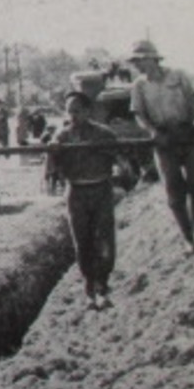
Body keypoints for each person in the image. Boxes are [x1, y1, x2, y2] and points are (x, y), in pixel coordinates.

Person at [128, 38, 194, 253]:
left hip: (187, 134)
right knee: (174, 192)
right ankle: (187, 238)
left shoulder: (178, 76)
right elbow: (139, 114)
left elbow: (193, 105)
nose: (137, 65)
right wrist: (154, 132)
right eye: (135, 61)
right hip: (164, 140)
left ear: (153, 58)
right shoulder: (139, 86)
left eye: (140, 60)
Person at [46, 91, 119, 311]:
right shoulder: (62, 136)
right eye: (69, 111)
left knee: (105, 240)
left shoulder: (104, 134)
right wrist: (52, 152)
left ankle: (103, 287)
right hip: (76, 192)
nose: (73, 115)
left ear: (88, 111)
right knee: (82, 242)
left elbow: (120, 158)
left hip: (101, 190)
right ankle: (88, 288)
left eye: (77, 110)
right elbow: (51, 167)